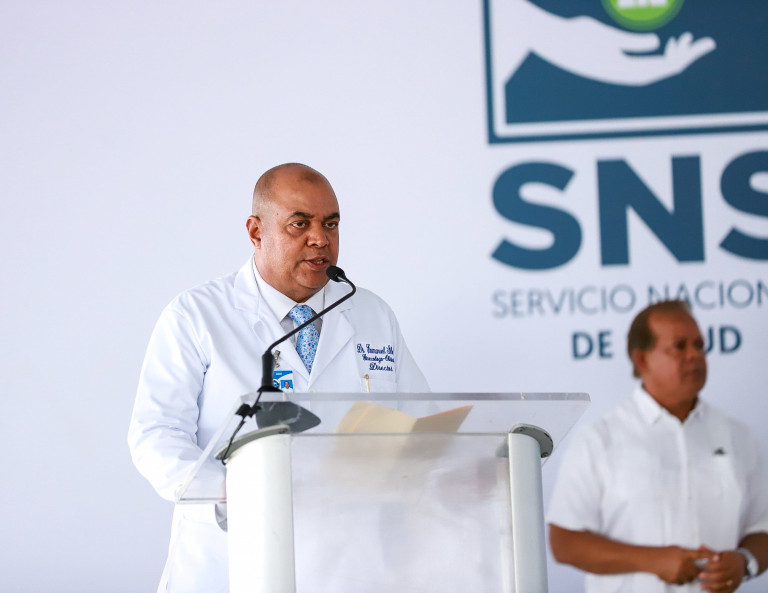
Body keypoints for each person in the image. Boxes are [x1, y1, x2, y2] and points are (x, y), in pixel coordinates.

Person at [128, 163, 430, 593]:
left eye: (331, 224)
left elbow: (423, 427)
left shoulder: (371, 313)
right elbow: (156, 435)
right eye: (299, 224)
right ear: (256, 232)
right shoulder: (197, 315)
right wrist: (234, 495)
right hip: (233, 559)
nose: (320, 239)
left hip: (350, 565)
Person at [547, 300, 768, 592]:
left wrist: (743, 561)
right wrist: (651, 560)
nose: (695, 355)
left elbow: (762, 527)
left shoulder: (738, 435)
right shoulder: (600, 438)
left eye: (699, 345)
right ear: (642, 360)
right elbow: (564, 542)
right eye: (679, 346)